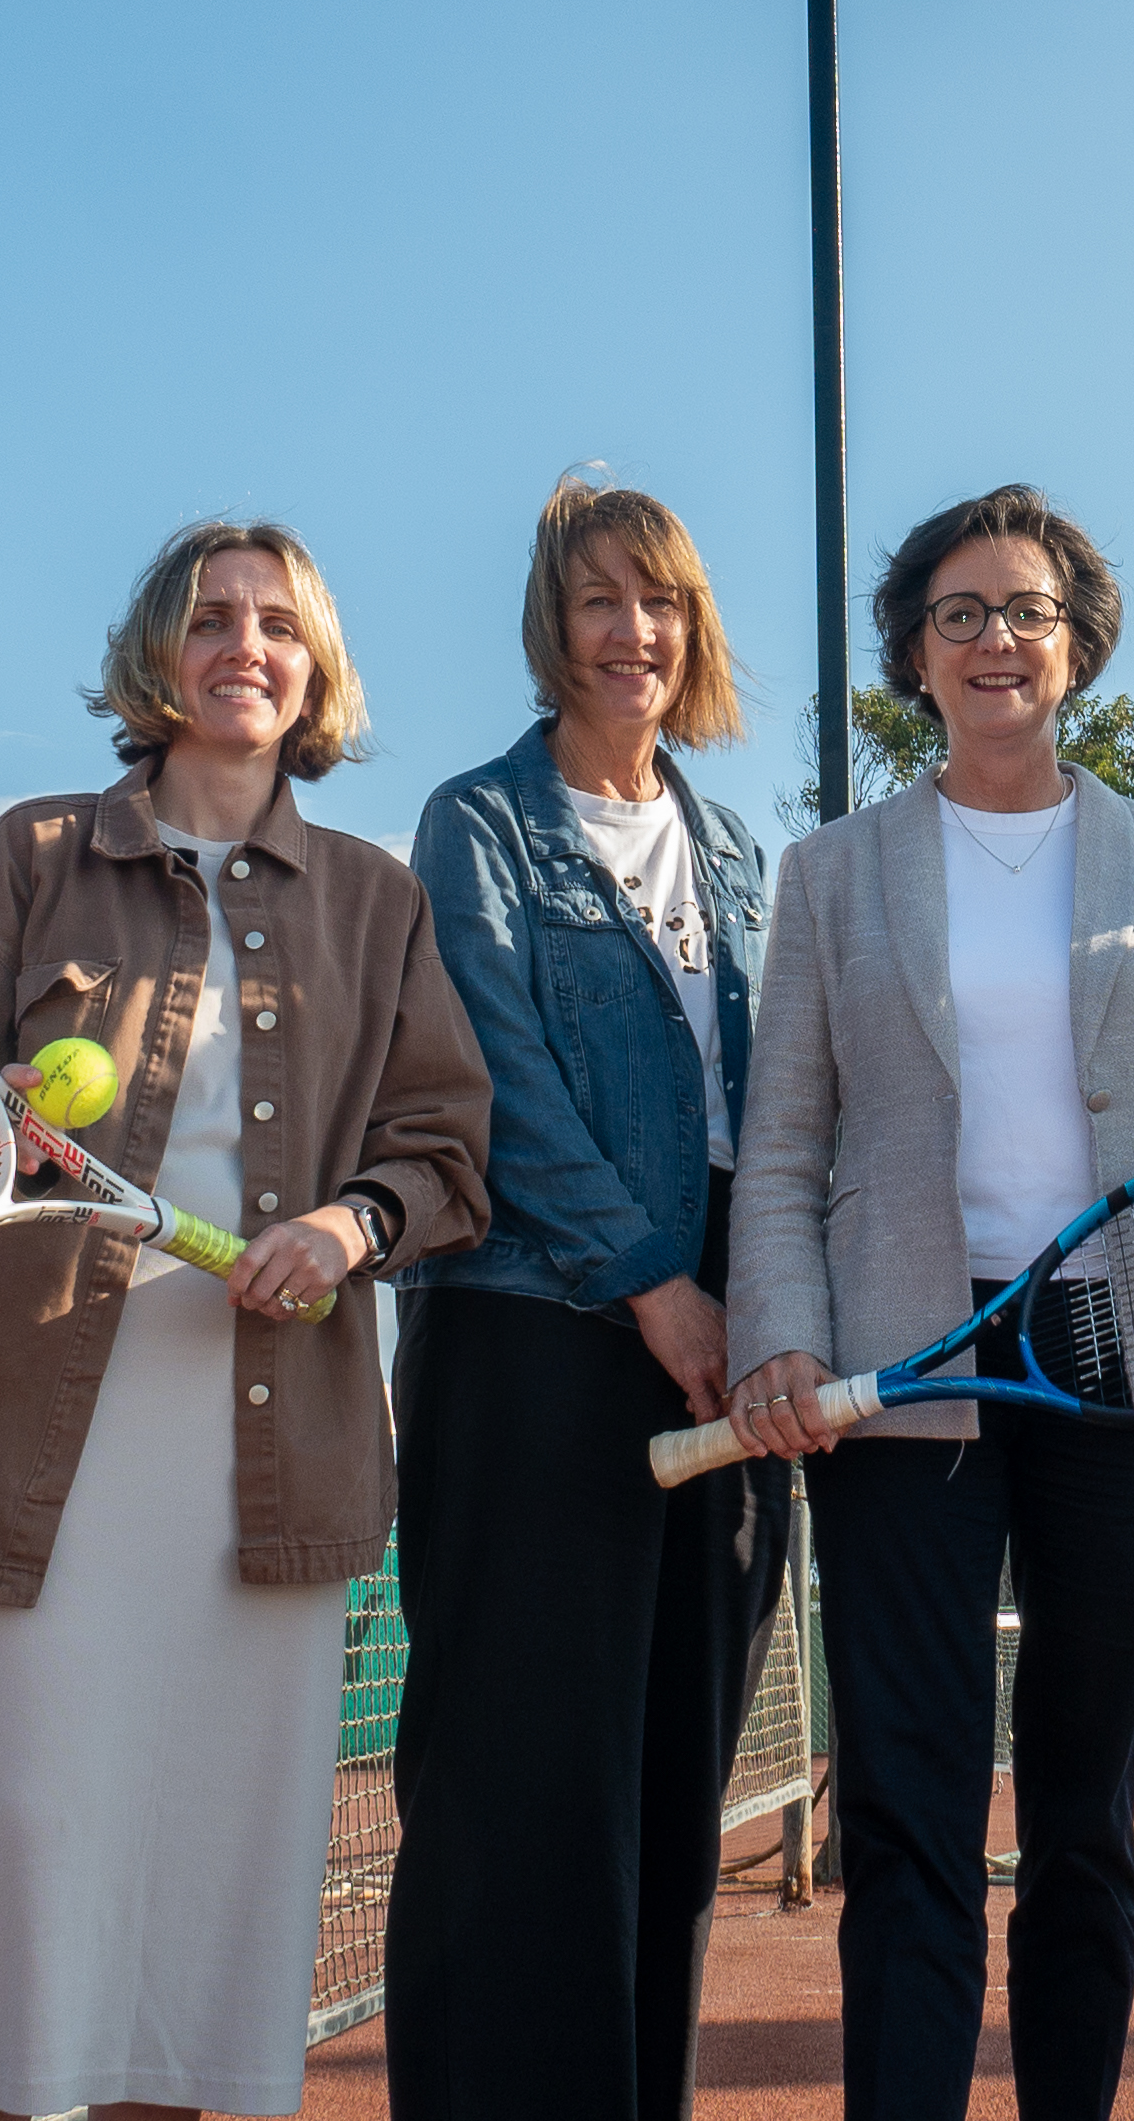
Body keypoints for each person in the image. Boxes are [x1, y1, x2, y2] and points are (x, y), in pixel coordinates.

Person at [724, 483, 1134, 2121]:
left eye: (1030, 612)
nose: (999, 640)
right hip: (909, 1357)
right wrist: (778, 1332)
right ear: (915, 656)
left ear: (1080, 645)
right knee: (912, 1809)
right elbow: (784, 1138)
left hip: (1130, 1364)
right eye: (962, 615)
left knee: (1085, 1813)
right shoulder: (835, 873)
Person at [0, 518, 492, 2121]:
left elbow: (444, 1157)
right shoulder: (30, 856)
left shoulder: (375, 902)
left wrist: (350, 1228)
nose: (247, 647)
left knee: (217, 1878)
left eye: (279, 626)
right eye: (213, 618)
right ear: (161, 652)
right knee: (24, 1842)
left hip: (266, 1461)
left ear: (316, 669)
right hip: (33, 1443)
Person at [390, 477, 788, 2121]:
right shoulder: (478, 822)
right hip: (539, 1339)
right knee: (521, 1790)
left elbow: (782, 1105)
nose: (635, 634)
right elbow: (501, 1080)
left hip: (721, 1346)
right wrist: (651, 1285)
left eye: (662, 603)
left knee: (672, 1783)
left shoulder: (743, 845)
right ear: (552, 625)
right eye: (600, 602)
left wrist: (761, 1314)